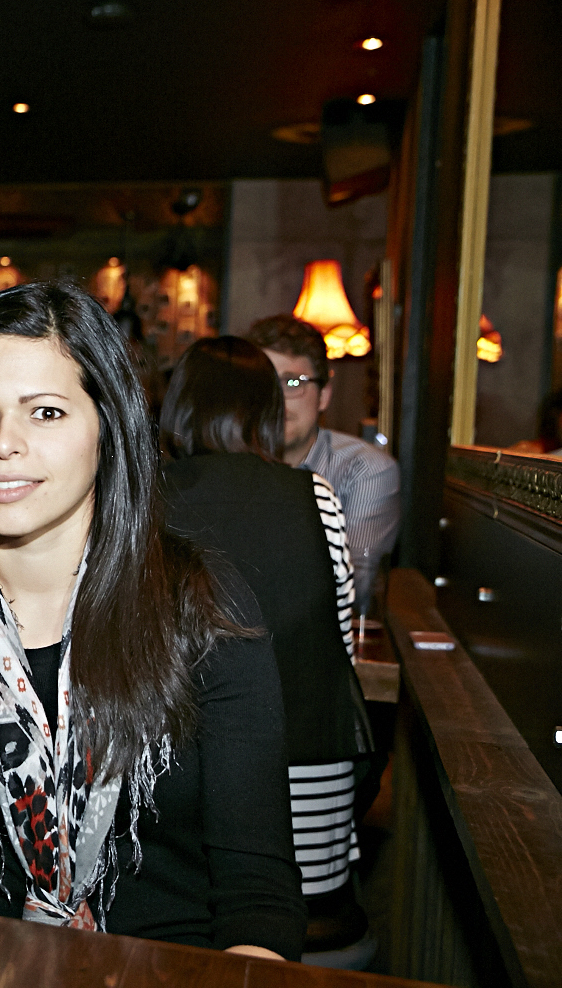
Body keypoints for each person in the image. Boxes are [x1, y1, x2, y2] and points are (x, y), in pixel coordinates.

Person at [0, 281, 305, 959]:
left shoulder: (204, 608)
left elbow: (256, 897)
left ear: (108, 426)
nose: (5, 443)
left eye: (47, 412)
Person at [159, 336, 373, 950]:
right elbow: (342, 645)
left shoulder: (145, 498)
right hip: (307, 780)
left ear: (178, 408)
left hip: (180, 787)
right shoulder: (315, 496)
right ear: (268, 412)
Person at [248, 315, 399, 612]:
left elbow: (355, 587)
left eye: (293, 382)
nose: (276, 399)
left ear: (324, 395)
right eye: (263, 384)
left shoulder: (364, 469)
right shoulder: (228, 466)